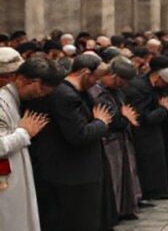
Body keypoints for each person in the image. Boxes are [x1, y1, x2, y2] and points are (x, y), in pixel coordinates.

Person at [28, 54, 114, 231]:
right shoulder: (65, 95)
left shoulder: (72, 92)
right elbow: (79, 135)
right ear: (84, 72)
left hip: (73, 171)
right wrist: (101, 122)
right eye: (95, 78)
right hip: (72, 174)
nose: (96, 83)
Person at [0, 56, 61, 231]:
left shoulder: (15, 100)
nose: (41, 94)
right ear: (30, 81)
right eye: (41, 89)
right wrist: (24, 132)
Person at [88, 57, 142, 220]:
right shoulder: (96, 92)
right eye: (122, 81)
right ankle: (114, 211)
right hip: (108, 139)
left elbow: (125, 111)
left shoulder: (116, 91)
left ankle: (125, 208)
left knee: (125, 174)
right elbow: (112, 119)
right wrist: (125, 118)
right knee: (114, 178)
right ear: (113, 76)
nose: (123, 85)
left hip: (121, 138)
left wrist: (125, 118)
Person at [123, 56, 168, 200]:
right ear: (157, 77)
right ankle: (149, 191)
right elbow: (143, 116)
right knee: (147, 161)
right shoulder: (138, 87)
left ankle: (158, 189)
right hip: (142, 132)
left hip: (155, 130)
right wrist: (163, 109)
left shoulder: (155, 86)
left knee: (157, 159)